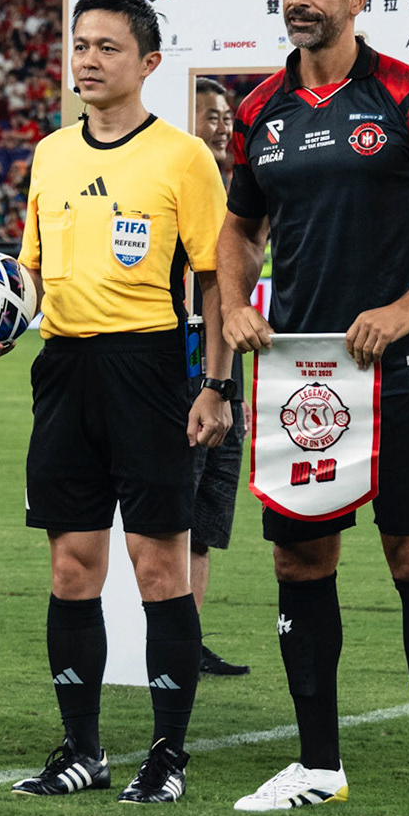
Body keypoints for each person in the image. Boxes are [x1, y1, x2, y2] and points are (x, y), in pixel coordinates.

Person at [218, 0, 409, 816]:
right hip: (302, 376)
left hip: (399, 370)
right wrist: (232, 305)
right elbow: (237, 230)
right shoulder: (259, 108)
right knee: (301, 559)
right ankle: (317, 765)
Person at [9, 0, 233, 805]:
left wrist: (214, 384)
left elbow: (214, 280)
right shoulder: (49, 153)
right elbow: (32, 270)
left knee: (158, 566)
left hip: (147, 371)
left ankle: (167, 755)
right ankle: (82, 749)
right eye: (80, 46)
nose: (89, 61)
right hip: (64, 369)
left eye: (107, 47)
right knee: (72, 567)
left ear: (148, 62)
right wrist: (3, 313)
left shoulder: (183, 158)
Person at [188, 75, 250, 677]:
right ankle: (162, 637)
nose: (223, 124)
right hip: (187, 364)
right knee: (174, 514)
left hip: (225, 363)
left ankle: (189, 638)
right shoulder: (177, 179)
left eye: (227, 116)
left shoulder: (237, 187)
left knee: (205, 520)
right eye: (211, 115)